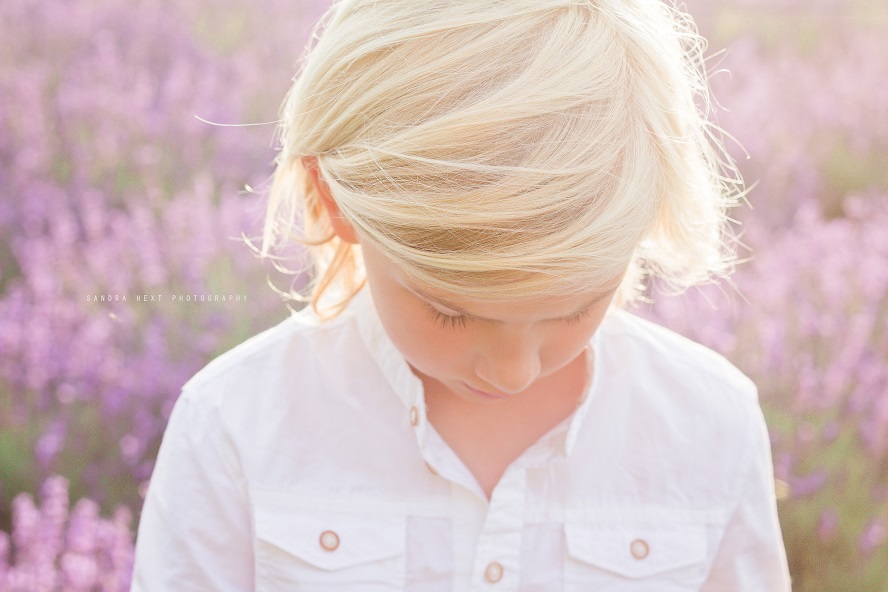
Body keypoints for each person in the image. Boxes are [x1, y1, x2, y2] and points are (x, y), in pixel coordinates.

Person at [130, 0, 793, 590]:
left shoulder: (710, 424)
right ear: (333, 201)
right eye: (451, 311)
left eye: (571, 309)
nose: (514, 370)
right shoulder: (236, 425)